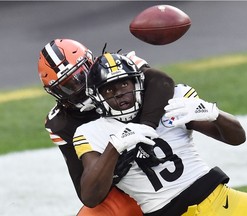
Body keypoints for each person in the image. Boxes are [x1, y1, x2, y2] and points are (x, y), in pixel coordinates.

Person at [73, 52, 247, 216]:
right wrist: (115, 147)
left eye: (124, 83)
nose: (120, 93)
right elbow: (91, 196)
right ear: (97, 96)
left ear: (137, 82)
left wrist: (215, 113)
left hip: (220, 199)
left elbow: (237, 138)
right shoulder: (92, 132)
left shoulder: (171, 101)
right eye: (109, 90)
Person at [37, 39, 175, 215]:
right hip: (125, 183)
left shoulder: (119, 64)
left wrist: (144, 130)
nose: (79, 89)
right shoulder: (61, 123)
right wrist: (115, 163)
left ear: (90, 62)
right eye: (67, 88)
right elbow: (86, 192)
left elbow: (161, 82)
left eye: (80, 77)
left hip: (165, 156)